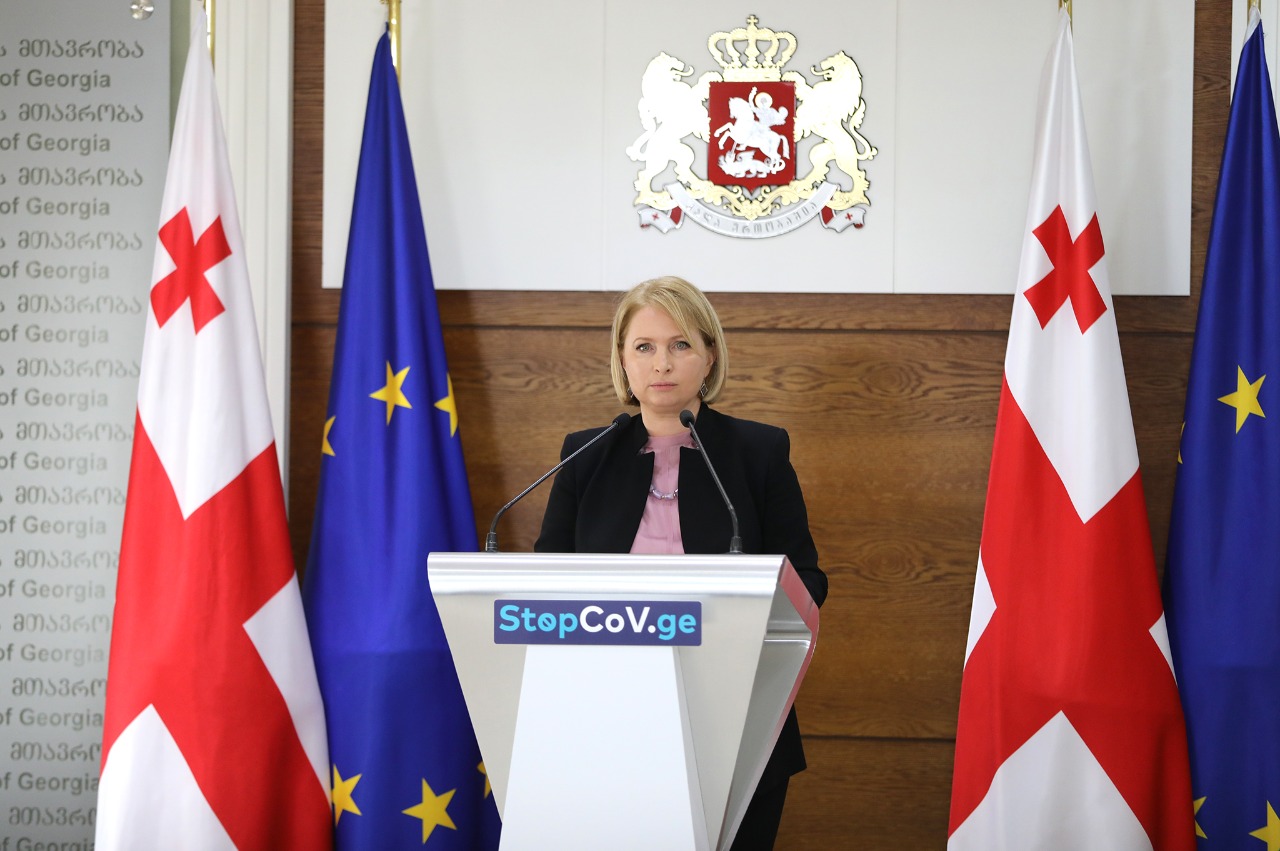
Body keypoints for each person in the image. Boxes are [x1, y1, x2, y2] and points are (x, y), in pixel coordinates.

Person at [536, 275, 828, 850]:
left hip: (735, 715)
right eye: (644, 346)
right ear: (623, 360)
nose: (661, 363)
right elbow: (548, 579)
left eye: (680, 345)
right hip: (605, 714)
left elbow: (808, 579)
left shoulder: (759, 452)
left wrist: (748, 614)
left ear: (709, 356)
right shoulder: (585, 454)